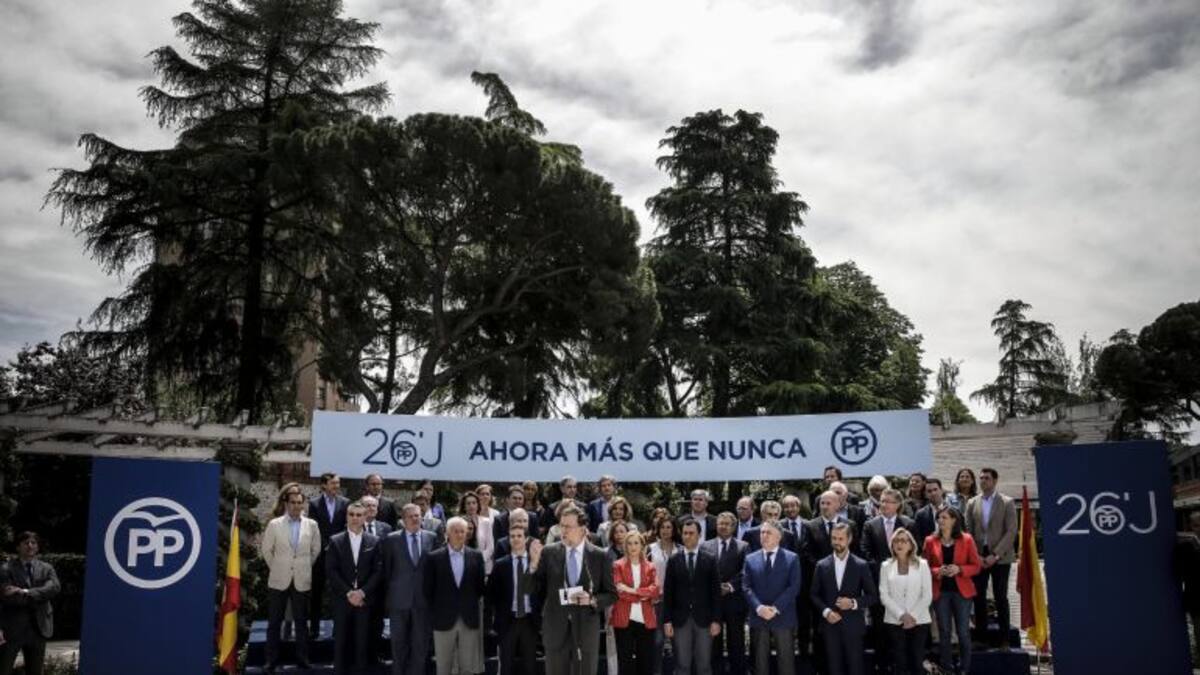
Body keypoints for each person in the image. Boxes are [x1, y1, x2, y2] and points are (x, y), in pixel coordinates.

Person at [528, 504, 617, 675]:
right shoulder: (548, 552)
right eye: (562, 525)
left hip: (586, 629)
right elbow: (531, 589)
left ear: (583, 529)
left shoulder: (600, 555)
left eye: (568, 526)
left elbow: (612, 594)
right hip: (555, 628)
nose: (563, 530)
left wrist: (592, 600)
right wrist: (533, 565)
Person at [261, 486, 322, 672]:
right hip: (278, 579)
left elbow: (316, 550)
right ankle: (271, 660)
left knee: (301, 622)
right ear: (286, 504)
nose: (296, 506)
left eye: (299, 503)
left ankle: (303, 659)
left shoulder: (312, 525)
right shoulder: (274, 524)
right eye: (293, 502)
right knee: (274, 622)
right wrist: (278, 567)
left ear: (303, 504)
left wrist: (303, 567)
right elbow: (266, 550)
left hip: (302, 579)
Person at [810, 523, 877, 675]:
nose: (836, 542)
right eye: (834, 538)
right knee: (833, 669)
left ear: (849, 539)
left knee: (855, 669)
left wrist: (853, 603)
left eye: (840, 539)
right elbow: (814, 594)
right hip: (830, 627)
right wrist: (826, 612)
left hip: (853, 627)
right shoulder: (821, 565)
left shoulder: (861, 565)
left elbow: (872, 596)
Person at [859, 488, 915, 666]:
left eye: (888, 501)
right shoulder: (870, 525)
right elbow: (865, 551)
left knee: (901, 627)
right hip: (879, 584)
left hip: (904, 584)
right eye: (882, 501)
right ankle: (882, 665)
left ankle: (902, 666)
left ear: (898, 504)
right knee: (880, 626)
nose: (884, 504)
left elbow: (915, 551)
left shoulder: (908, 524)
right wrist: (885, 569)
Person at [963, 467, 1018, 648]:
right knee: (978, 596)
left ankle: (1004, 639)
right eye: (981, 478)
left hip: (1001, 557)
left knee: (1000, 597)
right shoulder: (972, 503)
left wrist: (995, 555)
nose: (983, 481)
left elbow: (1011, 531)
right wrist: (976, 555)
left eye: (986, 478)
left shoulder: (1007, 502)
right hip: (978, 555)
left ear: (995, 480)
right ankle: (981, 638)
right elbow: (968, 531)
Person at [327, 501, 384, 674]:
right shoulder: (335, 540)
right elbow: (332, 571)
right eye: (351, 514)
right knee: (340, 645)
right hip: (342, 601)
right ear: (346, 516)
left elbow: (378, 571)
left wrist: (362, 593)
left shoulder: (374, 541)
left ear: (365, 517)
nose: (355, 518)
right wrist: (349, 593)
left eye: (359, 515)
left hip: (364, 602)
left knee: (362, 645)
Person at [424, 517, 486, 675]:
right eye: (455, 531)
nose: (459, 535)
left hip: (468, 619)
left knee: (467, 667)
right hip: (443, 620)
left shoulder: (476, 556)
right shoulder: (434, 558)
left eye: (462, 532)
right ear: (447, 533)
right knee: (443, 667)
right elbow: (428, 590)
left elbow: (480, 588)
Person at [924, 506, 981, 675]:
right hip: (940, 592)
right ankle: (947, 668)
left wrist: (960, 569)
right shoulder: (930, 540)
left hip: (962, 592)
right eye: (939, 518)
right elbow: (924, 566)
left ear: (954, 520)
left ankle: (964, 669)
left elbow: (976, 566)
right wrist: (937, 571)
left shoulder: (967, 539)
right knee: (944, 632)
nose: (940, 521)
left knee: (963, 632)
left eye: (944, 517)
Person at [383, 503, 439, 675]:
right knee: (398, 644)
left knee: (420, 644)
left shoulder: (431, 537)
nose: (415, 519)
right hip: (399, 601)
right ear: (403, 520)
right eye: (411, 516)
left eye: (417, 515)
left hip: (423, 601)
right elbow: (386, 570)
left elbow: (436, 569)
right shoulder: (391, 539)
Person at [663, 519, 720, 675]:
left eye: (691, 533)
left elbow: (716, 593)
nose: (687, 536)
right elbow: (668, 592)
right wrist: (667, 620)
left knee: (704, 665)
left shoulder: (710, 559)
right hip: (680, 620)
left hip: (705, 620)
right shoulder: (673, 560)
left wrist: (716, 620)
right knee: (682, 664)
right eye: (685, 533)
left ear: (699, 535)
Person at [742, 520, 799, 675]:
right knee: (760, 664)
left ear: (779, 537)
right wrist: (759, 608)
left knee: (786, 664)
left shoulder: (792, 558)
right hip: (759, 617)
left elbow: (794, 587)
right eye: (762, 532)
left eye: (768, 533)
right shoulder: (750, 558)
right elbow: (746, 587)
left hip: (783, 616)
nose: (764, 536)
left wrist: (775, 608)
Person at [0, 532, 60, 675]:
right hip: (12, 629)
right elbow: (7, 596)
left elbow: (54, 588)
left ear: (37, 547)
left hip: (39, 629)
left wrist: (25, 591)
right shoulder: (5, 569)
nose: (30, 546)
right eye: (26, 543)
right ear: (18, 547)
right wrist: (40, 594)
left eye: (33, 543)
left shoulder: (47, 568)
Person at [877, 528, 932, 675]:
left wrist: (912, 616)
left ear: (911, 545)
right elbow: (884, 595)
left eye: (903, 540)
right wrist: (902, 615)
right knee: (899, 662)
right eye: (896, 541)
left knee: (917, 662)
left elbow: (927, 595)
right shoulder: (885, 566)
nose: (899, 544)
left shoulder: (922, 564)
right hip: (894, 620)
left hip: (919, 620)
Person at [488, 524, 541, 675]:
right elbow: (491, 594)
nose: (516, 539)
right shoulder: (500, 564)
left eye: (519, 536)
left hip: (530, 621)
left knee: (530, 666)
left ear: (526, 539)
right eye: (512, 536)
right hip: (507, 621)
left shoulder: (536, 562)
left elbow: (541, 590)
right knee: (505, 666)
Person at [702, 513, 749, 675]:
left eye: (727, 524)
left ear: (733, 527)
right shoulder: (705, 546)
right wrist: (715, 587)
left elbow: (746, 572)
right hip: (712, 602)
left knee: (736, 642)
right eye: (720, 523)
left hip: (734, 602)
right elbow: (702, 572)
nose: (723, 526)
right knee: (713, 643)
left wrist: (729, 586)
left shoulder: (743, 546)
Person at [612, 531, 661, 675]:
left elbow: (655, 590)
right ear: (625, 546)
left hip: (646, 620)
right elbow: (619, 592)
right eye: (629, 543)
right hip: (624, 619)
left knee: (645, 663)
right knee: (625, 662)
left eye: (636, 543)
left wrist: (631, 590)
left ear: (642, 546)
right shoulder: (617, 565)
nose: (633, 546)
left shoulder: (651, 566)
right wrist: (642, 595)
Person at [309, 472, 350, 637]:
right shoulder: (314, 504)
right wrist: (325, 546)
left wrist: (335, 546)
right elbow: (314, 528)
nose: (336, 486)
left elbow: (346, 527)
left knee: (339, 593)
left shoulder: (345, 503)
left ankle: (337, 629)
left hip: (339, 556)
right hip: (320, 555)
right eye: (333, 483)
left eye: (338, 483)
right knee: (316, 593)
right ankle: (314, 629)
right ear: (324, 485)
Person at [359, 495, 391, 663]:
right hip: (360, 583)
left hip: (380, 583)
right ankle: (359, 655)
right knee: (360, 621)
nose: (371, 508)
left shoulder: (386, 528)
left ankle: (374, 654)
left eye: (374, 506)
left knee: (377, 621)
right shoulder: (355, 525)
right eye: (368, 505)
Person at [648, 517, 680, 675]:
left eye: (669, 527)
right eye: (662, 527)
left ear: (674, 530)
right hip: (657, 600)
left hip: (677, 602)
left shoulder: (680, 549)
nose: (666, 530)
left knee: (678, 641)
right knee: (657, 641)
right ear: (657, 530)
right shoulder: (649, 549)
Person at [1176, 511, 1200, 663]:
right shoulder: (1185, 548)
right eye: (1197, 525)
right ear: (1191, 526)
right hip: (1197, 601)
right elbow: (1182, 572)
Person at [459, 490, 495, 574]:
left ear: (478, 505)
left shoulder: (486, 522)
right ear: (464, 506)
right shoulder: (458, 522)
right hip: (463, 565)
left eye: (474, 503)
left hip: (483, 566)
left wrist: (478, 559)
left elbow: (490, 547)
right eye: (468, 503)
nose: (471, 506)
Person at [913, 478, 946, 545]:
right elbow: (918, 538)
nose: (933, 493)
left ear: (941, 490)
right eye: (929, 491)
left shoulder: (954, 511)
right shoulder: (920, 515)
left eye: (935, 489)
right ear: (925, 494)